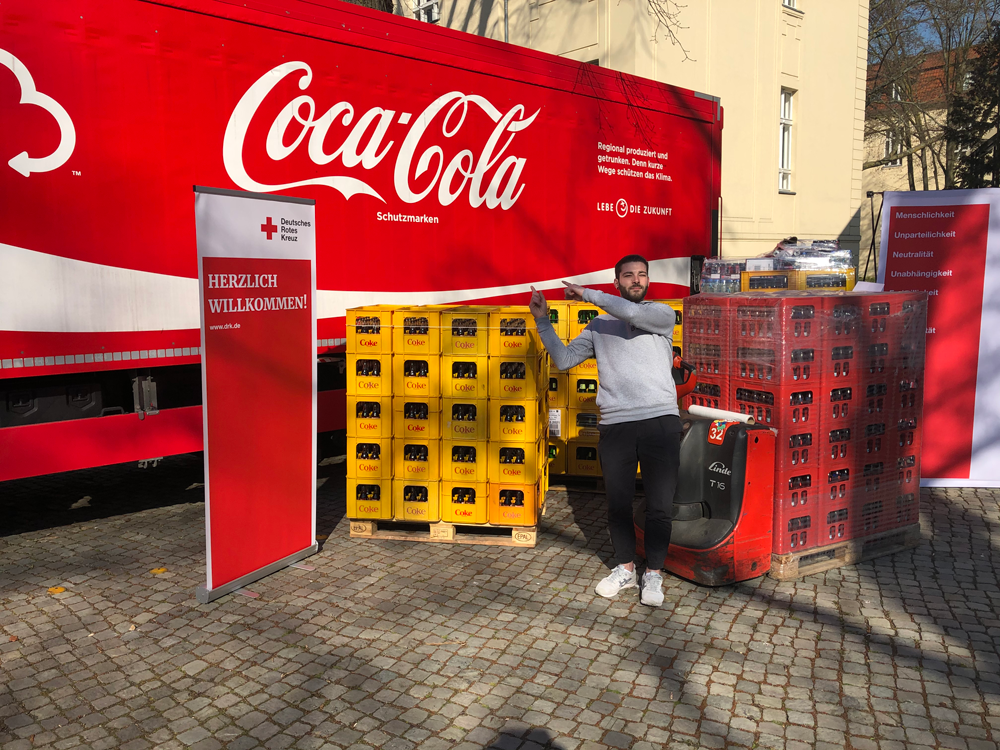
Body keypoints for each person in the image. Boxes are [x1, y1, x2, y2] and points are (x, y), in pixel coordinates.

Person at [528, 255, 681, 606]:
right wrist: (542, 321)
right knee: (618, 504)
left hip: (660, 422)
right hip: (616, 425)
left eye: (642, 275)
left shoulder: (661, 316)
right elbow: (564, 360)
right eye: (628, 276)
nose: (637, 280)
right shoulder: (598, 327)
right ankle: (626, 569)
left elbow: (633, 313)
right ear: (617, 283)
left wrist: (586, 293)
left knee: (659, 505)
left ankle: (653, 575)